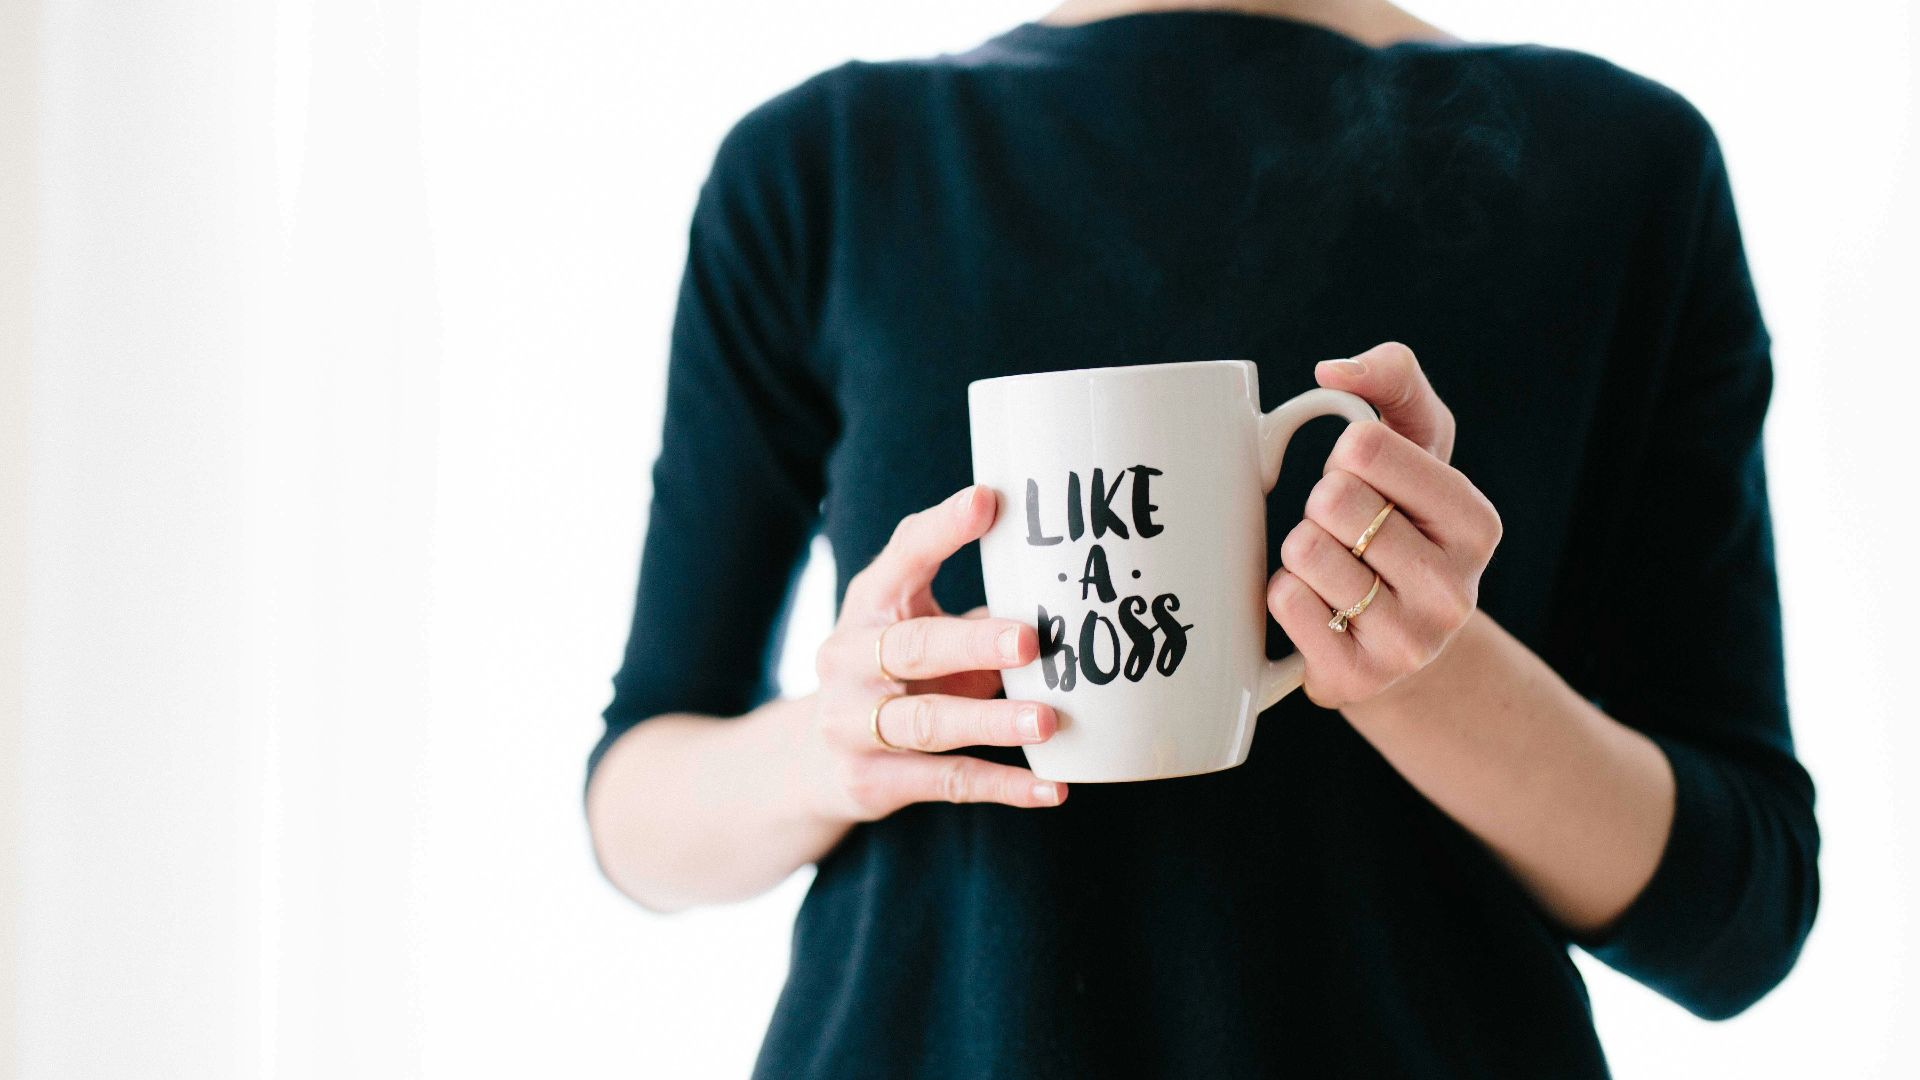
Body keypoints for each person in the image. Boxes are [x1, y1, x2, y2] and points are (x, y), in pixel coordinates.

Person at [582, 0, 1821, 1075]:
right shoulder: (826, 168)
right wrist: (839, 744)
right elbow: (633, 808)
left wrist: (1428, 674)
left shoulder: (1621, 168)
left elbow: (1741, 915)